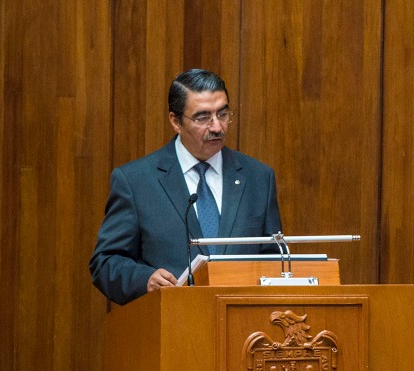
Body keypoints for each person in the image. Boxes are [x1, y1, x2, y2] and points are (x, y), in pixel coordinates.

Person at [89, 69, 282, 305]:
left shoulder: (258, 178)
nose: (217, 127)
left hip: (240, 322)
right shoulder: (136, 181)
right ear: (175, 121)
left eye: (222, 114)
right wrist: (144, 280)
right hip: (172, 318)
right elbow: (106, 262)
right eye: (203, 117)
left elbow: (275, 261)